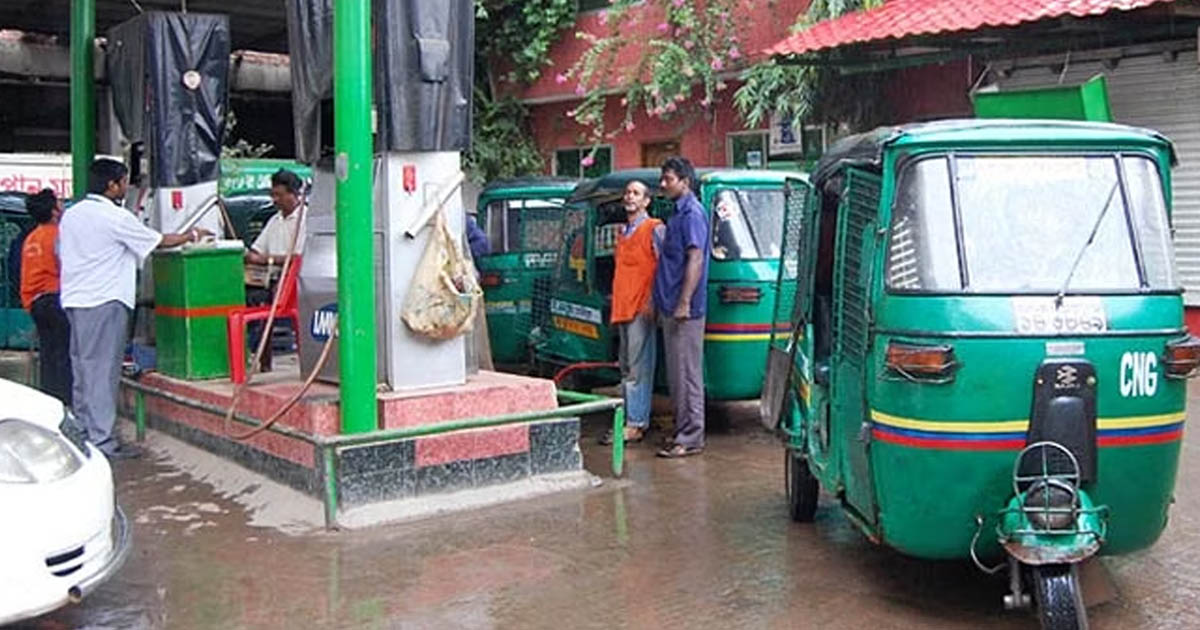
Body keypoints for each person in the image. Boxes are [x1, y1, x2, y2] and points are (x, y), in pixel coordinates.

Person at [60, 159, 209, 459]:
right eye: (123, 182)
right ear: (112, 185)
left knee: (83, 370)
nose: (126, 187)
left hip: (75, 301)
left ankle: (83, 437)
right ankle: (101, 443)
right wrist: (192, 235)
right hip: (104, 301)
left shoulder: (71, 215)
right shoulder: (115, 217)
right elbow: (158, 242)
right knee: (102, 372)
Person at [653, 156, 710, 458]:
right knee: (677, 375)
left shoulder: (692, 214)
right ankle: (682, 432)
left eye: (669, 179)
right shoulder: (676, 214)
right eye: (662, 179)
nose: (663, 184)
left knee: (687, 375)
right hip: (671, 307)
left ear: (685, 182)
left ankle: (690, 437)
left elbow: (696, 258)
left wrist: (685, 302)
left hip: (684, 311)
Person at [600, 180, 661, 446]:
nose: (629, 197)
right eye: (627, 193)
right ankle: (628, 419)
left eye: (636, 193)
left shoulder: (654, 229)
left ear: (646, 201)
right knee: (626, 368)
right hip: (623, 308)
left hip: (641, 308)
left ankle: (636, 423)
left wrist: (652, 301)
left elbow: (664, 268)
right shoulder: (624, 232)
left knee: (638, 369)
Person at [243, 169, 307, 372]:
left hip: (295, 281)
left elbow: (299, 258)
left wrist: (265, 259)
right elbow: (256, 249)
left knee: (267, 297)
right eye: (273, 194)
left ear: (293, 194)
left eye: (279, 195)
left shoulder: (305, 219)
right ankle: (261, 361)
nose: (275, 199)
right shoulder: (274, 220)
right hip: (271, 278)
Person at [20, 189, 72, 405]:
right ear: (54, 210)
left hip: (35, 302)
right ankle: (65, 403)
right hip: (55, 299)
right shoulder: (57, 235)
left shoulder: (32, 238)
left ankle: (49, 401)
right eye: (59, 201)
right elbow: (67, 266)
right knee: (64, 354)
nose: (62, 204)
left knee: (49, 354)